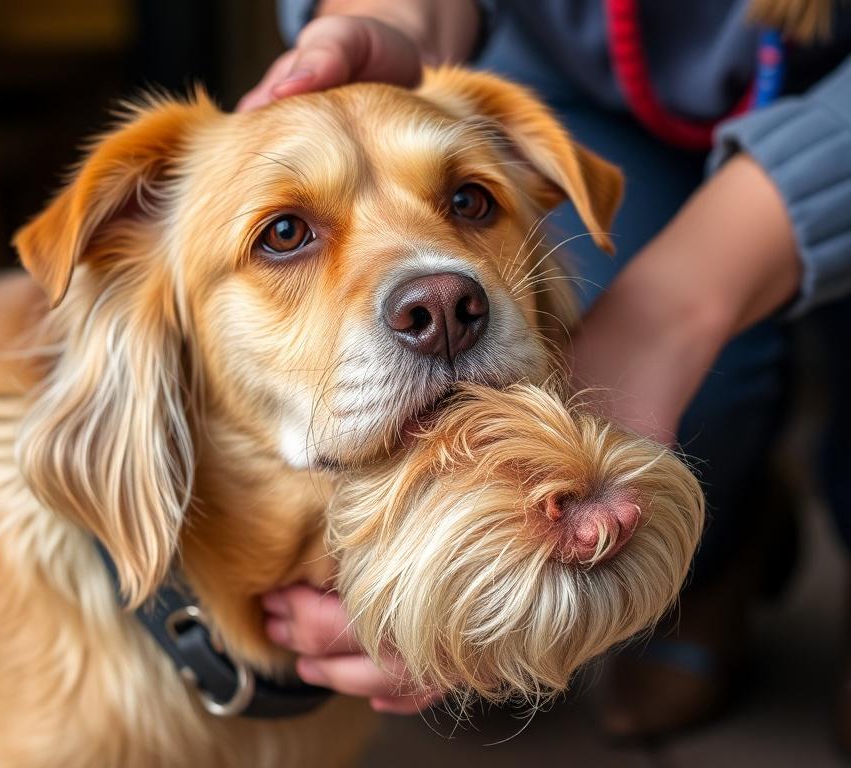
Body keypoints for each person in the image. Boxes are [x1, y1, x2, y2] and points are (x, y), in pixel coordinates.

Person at [240, 0, 851, 742]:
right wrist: (396, 22)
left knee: (626, 382)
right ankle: (718, 557)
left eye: (465, 202)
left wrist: (660, 319)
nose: (435, 297)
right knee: (670, 409)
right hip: (581, 90)